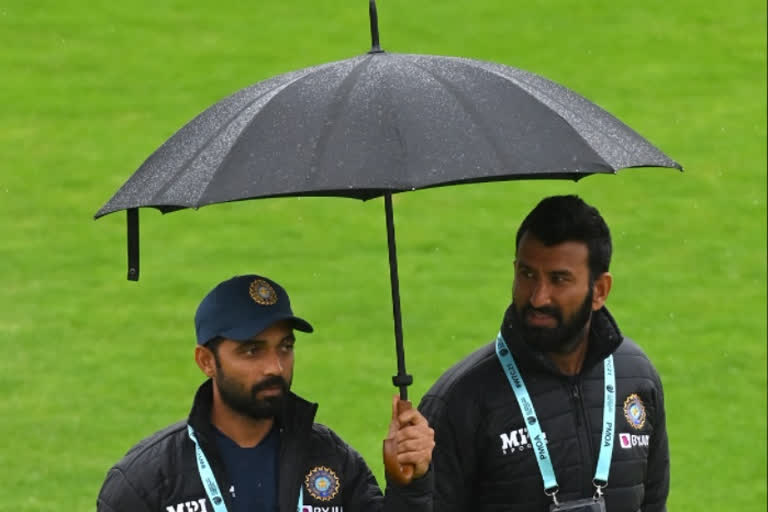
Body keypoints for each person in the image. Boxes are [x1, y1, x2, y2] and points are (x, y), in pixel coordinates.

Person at [97, 274, 434, 512]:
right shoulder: (146, 480)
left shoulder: (331, 459)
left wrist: (409, 485)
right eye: (251, 351)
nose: (275, 366)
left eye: (285, 347)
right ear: (206, 361)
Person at [419, 195, 669, 512]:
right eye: (527, 275)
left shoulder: (636, 377)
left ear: (600, 290)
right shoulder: (462, 399)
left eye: (559, 279)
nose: (538, 297)